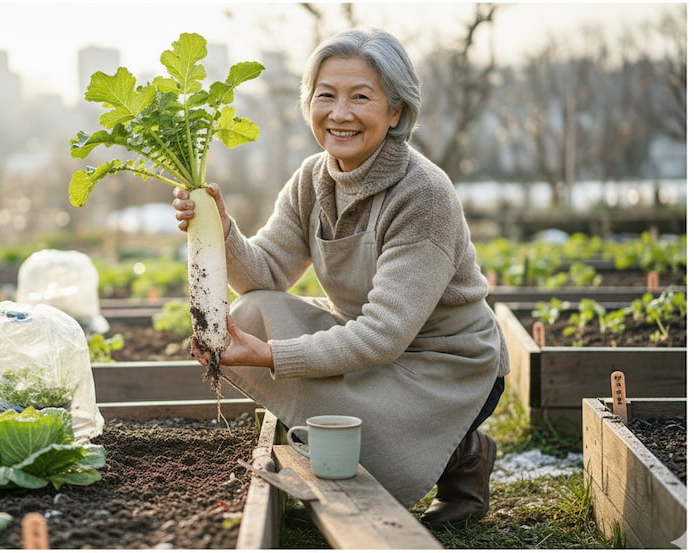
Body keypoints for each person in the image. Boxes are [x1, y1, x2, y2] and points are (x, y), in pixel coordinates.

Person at [173, 27, 509, 528]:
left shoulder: (423, 194)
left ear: (395, 111)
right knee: (254, 311)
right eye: (326, 95)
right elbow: (265, 274)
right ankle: (397, 448)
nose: (340, 113)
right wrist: (220, 230)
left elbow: (384, 334)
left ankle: (463, 453)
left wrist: (270, 356)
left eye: (361, 97)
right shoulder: (313, 179)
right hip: (369, 350)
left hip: (444, 367)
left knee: (349, 436)